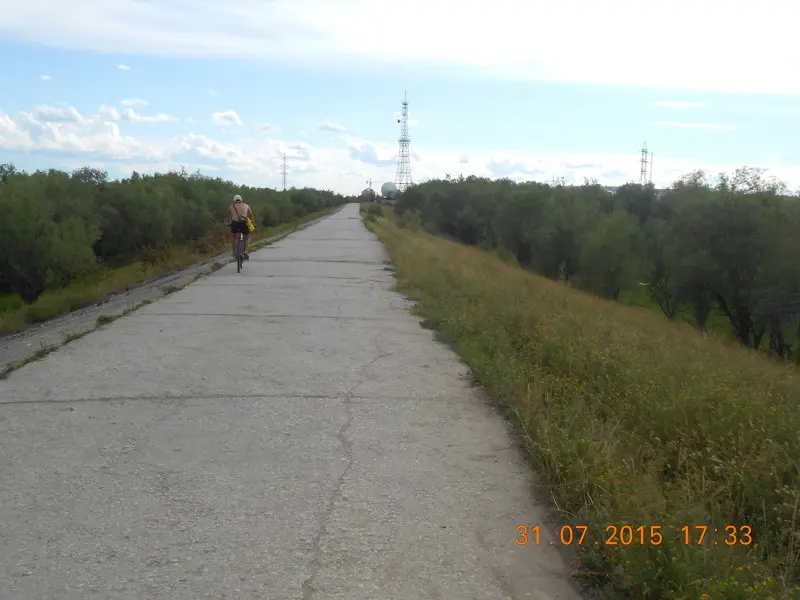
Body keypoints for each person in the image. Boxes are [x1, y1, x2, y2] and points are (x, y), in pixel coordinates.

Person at [228, 194, 255, 260]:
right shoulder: (246, 206)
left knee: (233, 237)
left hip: (235, 223)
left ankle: (234, 252)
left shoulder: (231, 206)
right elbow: (251, 216)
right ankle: (245, 251)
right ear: (241, 200)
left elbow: (228, 217)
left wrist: (228, 224)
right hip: (244, 223)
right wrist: (253, 224)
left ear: (234, 200)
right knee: (246, 237)